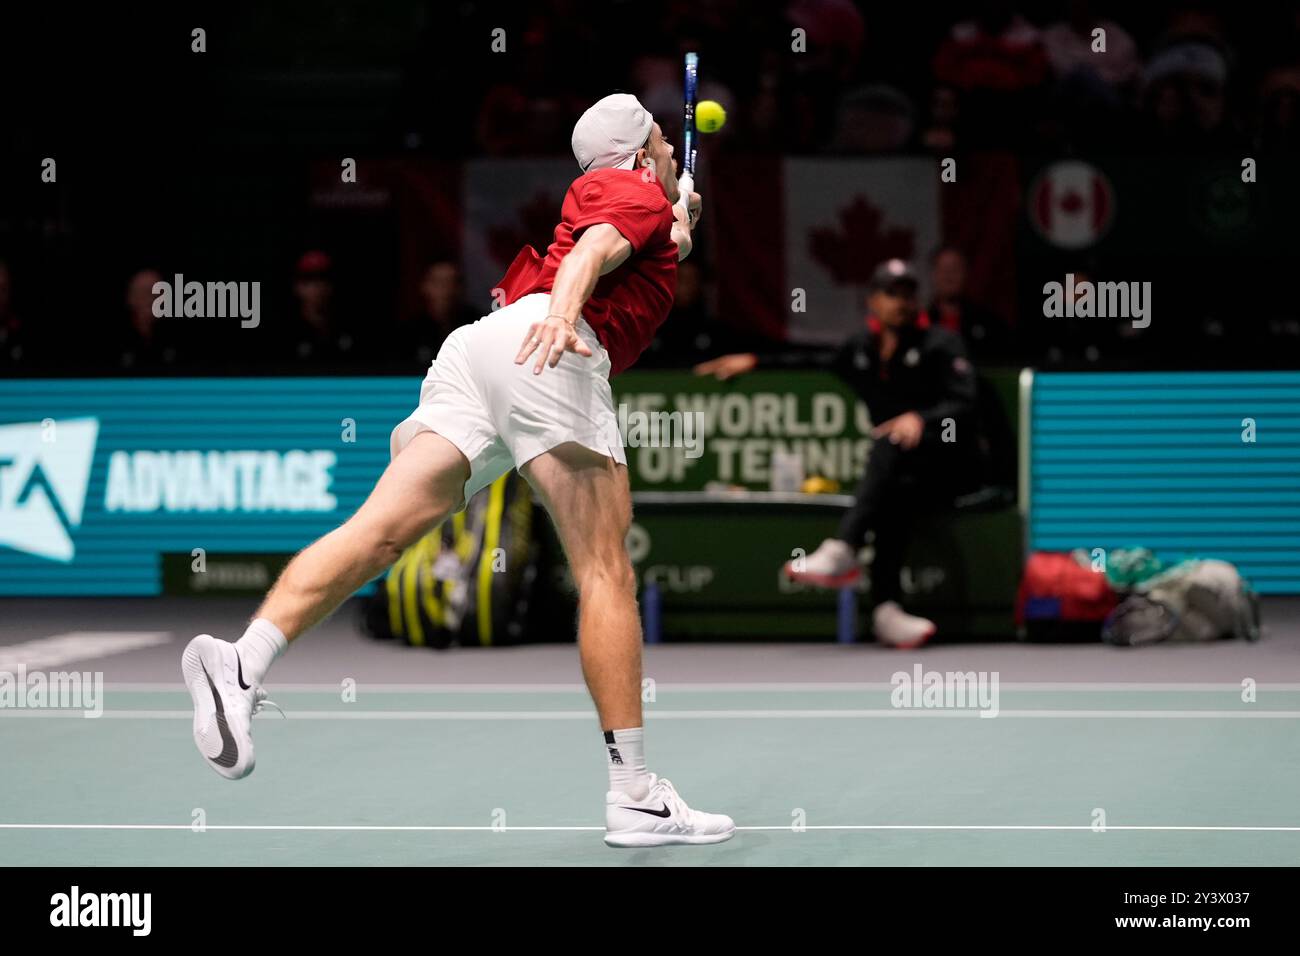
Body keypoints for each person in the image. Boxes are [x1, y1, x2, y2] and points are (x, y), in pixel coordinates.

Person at [181, 93, 734, 849]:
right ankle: (634, 793)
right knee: (607, 571)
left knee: (377, 535)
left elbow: (641, 240)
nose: (674, 149)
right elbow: (596, 249)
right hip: (551, 348)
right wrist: (565, 314)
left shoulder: (636, 198)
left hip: (479, 349)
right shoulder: (632, 193)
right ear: (641, 155)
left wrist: (682, 223)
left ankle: (240, 662)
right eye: (664, 142)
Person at [697, 259, 981, 648]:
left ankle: (845, 547)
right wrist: (756, 360)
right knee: (893, 489)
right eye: (891, 294)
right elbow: (809, 360)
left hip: (951, 463)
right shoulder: (860, 348)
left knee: (890, 452)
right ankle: (886, 611)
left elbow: (965, 402)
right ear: (873, 301)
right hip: (903, 471)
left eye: (908, 295)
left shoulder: (941, 344)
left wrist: (920, 418)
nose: (901, 302)